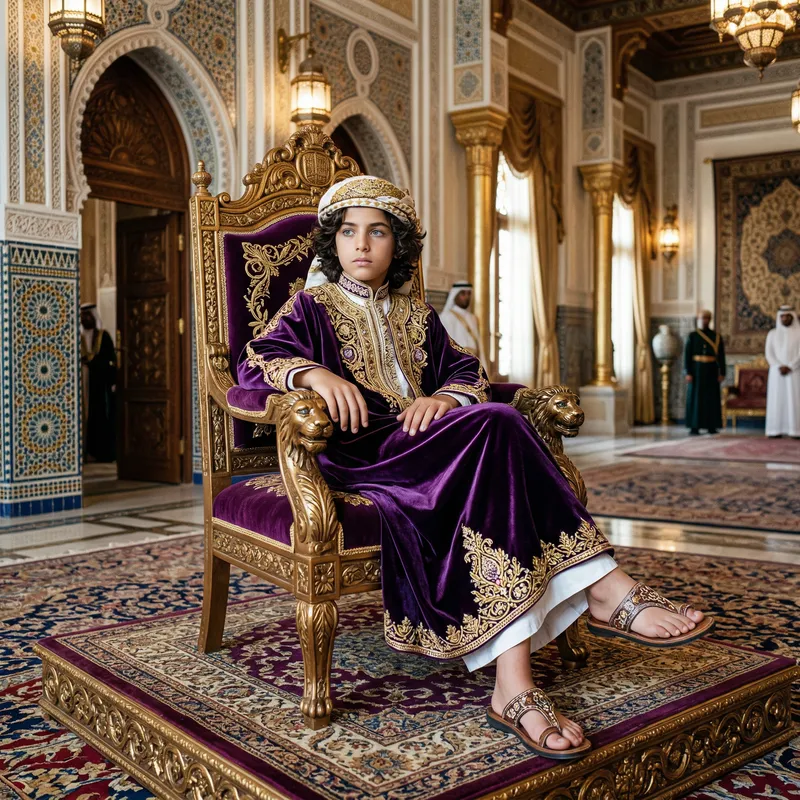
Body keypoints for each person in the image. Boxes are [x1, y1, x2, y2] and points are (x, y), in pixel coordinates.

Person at [239, 176, 711, 760]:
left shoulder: (417, 314)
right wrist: (314, 375)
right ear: (333, 243)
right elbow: (254, 360)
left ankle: (515, 684)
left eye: (378, 232)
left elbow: (466, 370)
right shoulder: (311, 306)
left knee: (493, 448)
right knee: (497, 424)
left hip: (429, 442)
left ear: (399, 245)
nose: (361, 244)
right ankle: (606, 589)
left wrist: (446, 399)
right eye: (349, 232)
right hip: (365, 454)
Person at [80, 303, 117, 462]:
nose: (85, 318)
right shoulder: (78, 338)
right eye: (83, 315)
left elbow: (111, 361)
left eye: (88, 315)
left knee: (100, 416)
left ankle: (102, 453)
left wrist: (94, 363)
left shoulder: (103, 336)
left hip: (99, 385)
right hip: (82, 384)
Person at [684, 309, 726, 435]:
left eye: (707, 318)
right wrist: (688, 372)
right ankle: (694, 426)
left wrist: (722, 372)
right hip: (696, 371)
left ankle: (711, 426)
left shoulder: (716, 337)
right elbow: (687, 356)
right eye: (702, 318)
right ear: (698, 320)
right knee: (696, 399)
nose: (704, 320)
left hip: (711, 370)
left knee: (711, 398)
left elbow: (721, 356)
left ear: (710, 320)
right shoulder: (692, 336)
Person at [765, 305, 800, 439]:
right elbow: (769, 354)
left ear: (792, 316)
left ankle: (795, 430)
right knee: (777, 400)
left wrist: (791, 366)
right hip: (776, 373)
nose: (785, 318)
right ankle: (775, 430)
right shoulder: (772, 334)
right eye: (782, 316)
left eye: (787, 316)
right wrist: (779, 365)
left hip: (795, 372)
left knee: (794, 400)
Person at [439, 281, 487, 366]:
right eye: (463, 294)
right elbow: (445, 346)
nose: (467, 297)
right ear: (455, 295)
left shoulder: (473, 318)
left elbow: (479, 345)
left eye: (469, 294)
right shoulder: (447, 316)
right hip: (458, 363)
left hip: (474, 361)